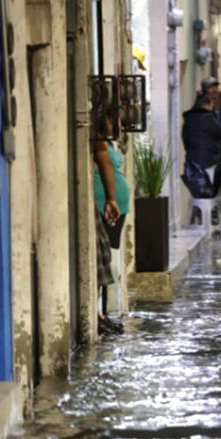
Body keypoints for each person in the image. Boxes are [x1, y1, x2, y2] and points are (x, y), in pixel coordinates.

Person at [92, 109, 128, 335]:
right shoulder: (95, 141)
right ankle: (97, 314)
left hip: (115, 207)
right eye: (110, 119)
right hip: (104, 205)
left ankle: (102, 313)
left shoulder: (108, 142)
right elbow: (103, 166)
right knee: (101, 259)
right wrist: (110, 199)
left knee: (106, 257)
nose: (114, 123)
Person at [182, 92, 221, 200]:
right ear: (206, 104)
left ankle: (199, 214)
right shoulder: (208, 118)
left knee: (197, 193)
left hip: (192, 162)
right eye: (211, 105)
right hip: (208, 161)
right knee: (209, 193)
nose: (212, 108)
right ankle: (208, 215)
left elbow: (185, 139)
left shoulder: (188, 119)